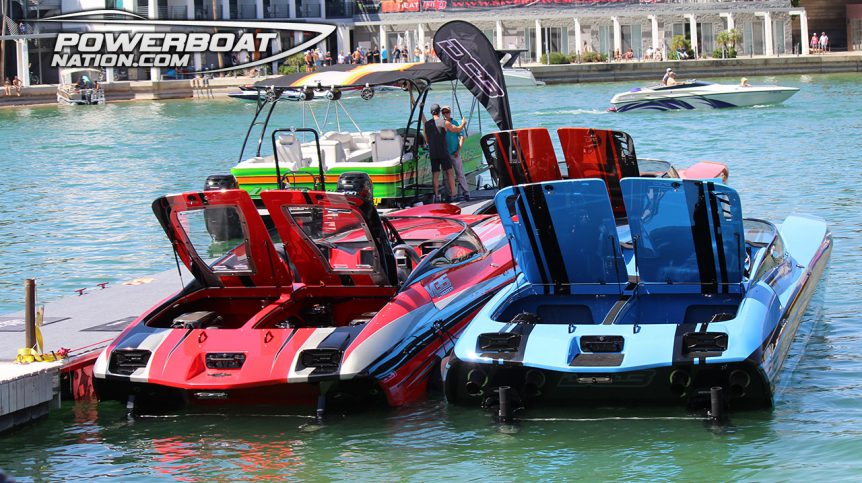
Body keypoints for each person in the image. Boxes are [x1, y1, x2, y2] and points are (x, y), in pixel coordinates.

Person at [423, 103, 465, 202]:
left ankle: (436, 196)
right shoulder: (444, 122)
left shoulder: (427, 124)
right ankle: (454, 195)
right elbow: (457, 129)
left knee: (435, 174)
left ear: (431, 112)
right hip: (443, 152)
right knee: (449, 172)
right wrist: (463, 123)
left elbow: (426, 140)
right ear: (439, 112)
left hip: (433, 152)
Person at [441, 106, 470, 201]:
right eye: (443, 112)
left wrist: (458, 150)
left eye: (447, 112)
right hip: (445, 154)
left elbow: (461, 136)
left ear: (450, 112)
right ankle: (450, 194)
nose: (446, 114)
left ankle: (466, 193)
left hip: (454, 153)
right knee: (446, 175)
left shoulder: (455, 123)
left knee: (460, 173)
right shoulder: (441, 123)